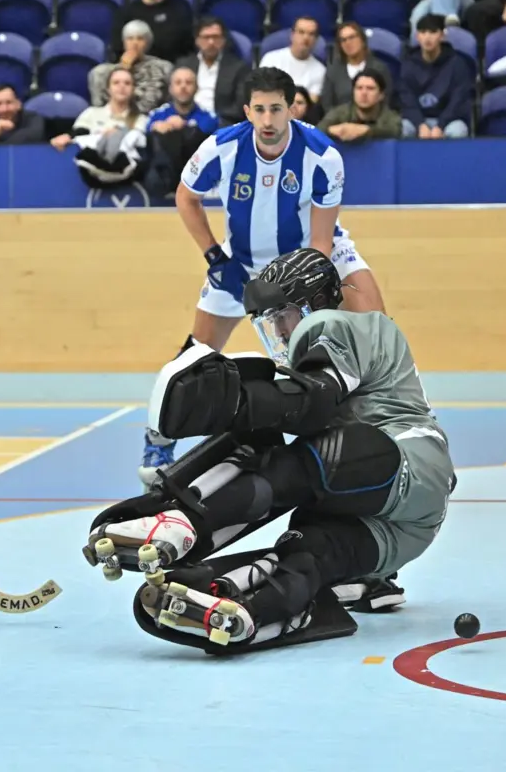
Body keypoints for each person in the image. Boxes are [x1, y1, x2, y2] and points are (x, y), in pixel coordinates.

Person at [85, 248, 455, 653]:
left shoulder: (349, 325)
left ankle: (182, 522)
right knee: (307, 548)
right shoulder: (341, 342)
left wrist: (238, 403)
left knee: (308, 454)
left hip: (408, 458)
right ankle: (251, 611)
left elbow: (312, 400)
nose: (278, 332)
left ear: (311, 305)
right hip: (404, 531)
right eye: (269, 322)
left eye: (282, 317)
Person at [138, 67, 387, 486]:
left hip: (309, 255)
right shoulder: (221, 148)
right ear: (247, 112)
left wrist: (302, 297)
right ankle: (159, 437)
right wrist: (217, 258)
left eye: (276, 109)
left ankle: (392, 422)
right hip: (243, 261)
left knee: (375, 325)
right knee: (195, 357)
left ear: (291, 108)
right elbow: (186, 197)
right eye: (260, 110)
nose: (268, 120)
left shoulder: (322, 155)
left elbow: (323, 242)